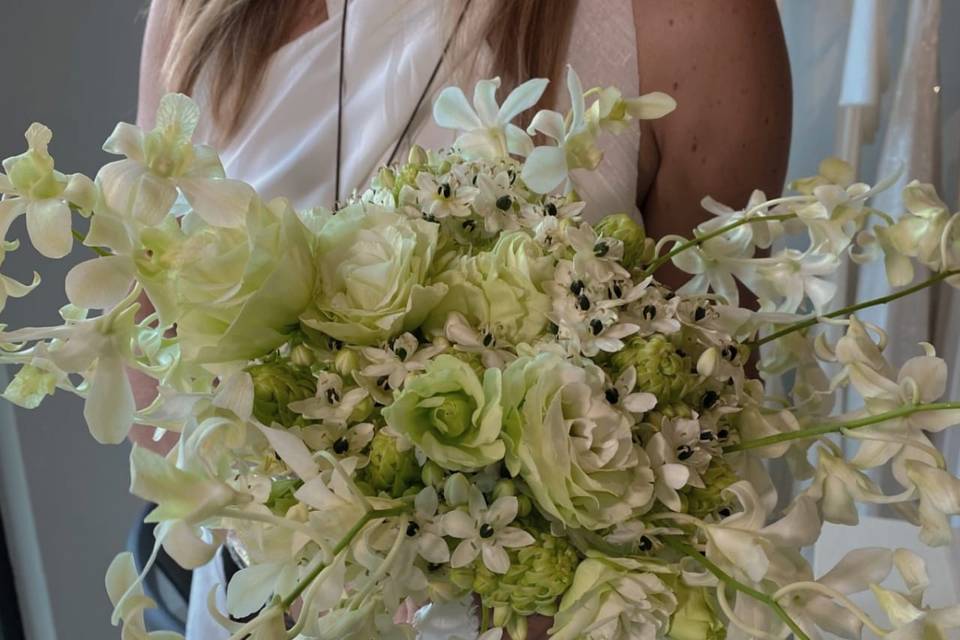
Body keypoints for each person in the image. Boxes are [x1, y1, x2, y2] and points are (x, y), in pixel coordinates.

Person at [133, 1, 792, 637]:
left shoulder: (700, 19)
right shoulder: (205, 10)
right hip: (265, 601)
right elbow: (151, 332)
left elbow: (701, 421)